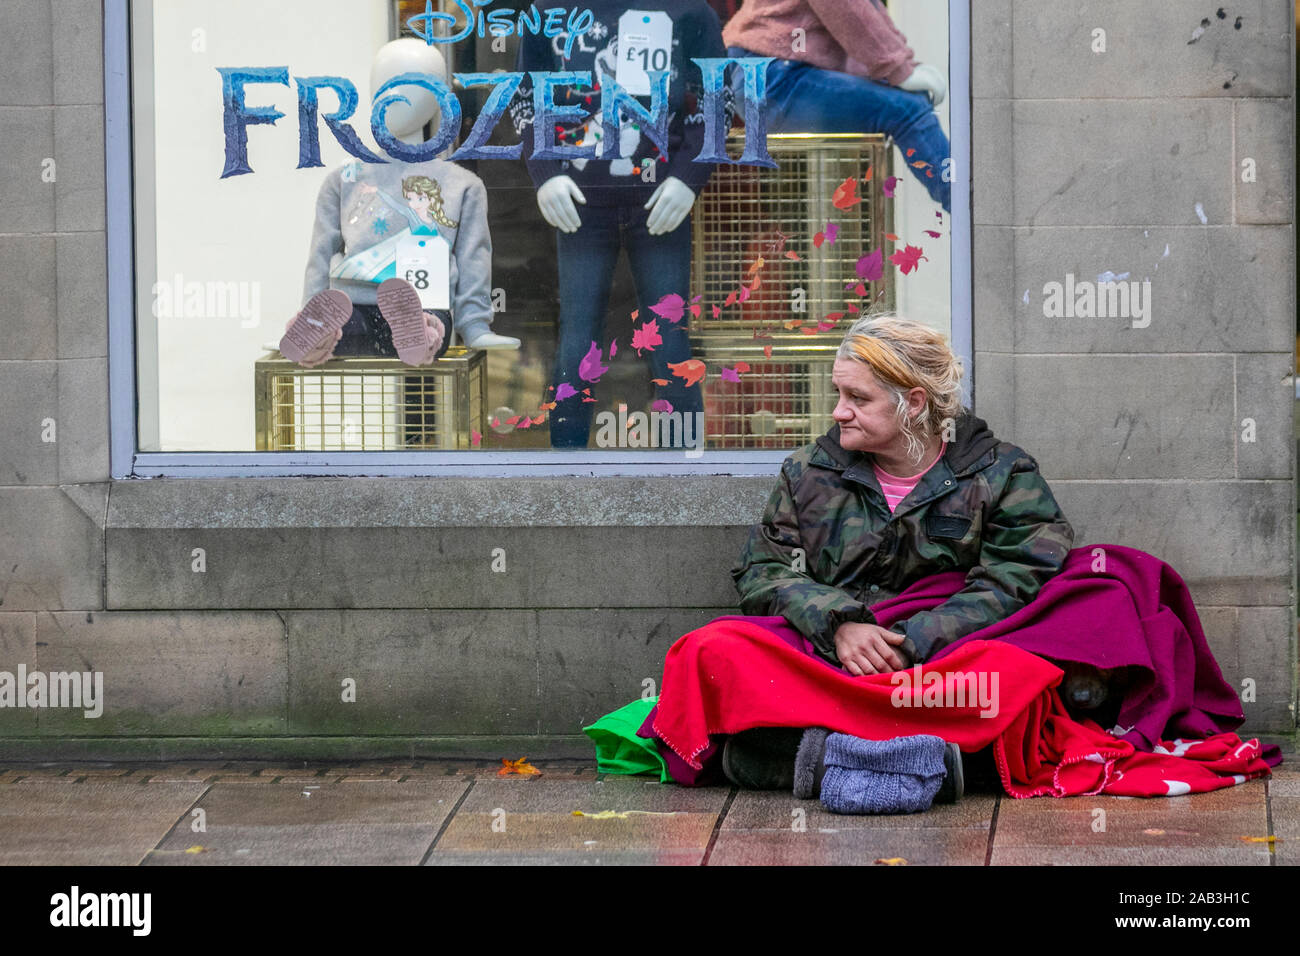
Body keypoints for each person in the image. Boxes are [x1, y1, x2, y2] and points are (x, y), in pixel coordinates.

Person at [721, 313, 1075, 791]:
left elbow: (1018, 576)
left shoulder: (1002, 472)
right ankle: (939, 763)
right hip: (833, 659)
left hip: (939, 666)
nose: (838, 412)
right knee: (716, 648)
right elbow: (763, 570)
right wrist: (841, 624)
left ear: (912, 402)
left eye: (857, 398)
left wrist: (911, 642)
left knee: (1017, 670)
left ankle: (811, 758)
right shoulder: (808, 472)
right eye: (838, 394)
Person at [723, 0, 952, 212]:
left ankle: (966, 202)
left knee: (908, 104)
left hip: (772, 69)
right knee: (907, 110)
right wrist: (898, 68)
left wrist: (901, 67)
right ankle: (968, 205)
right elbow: (846, 7)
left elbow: (865, 10)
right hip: (770, 75)